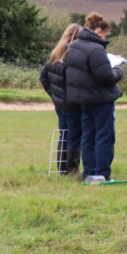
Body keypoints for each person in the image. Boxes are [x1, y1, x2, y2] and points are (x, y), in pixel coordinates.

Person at [65, 13, 123, 182]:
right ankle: (102, 173)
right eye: (105, 34)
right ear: (98, 30)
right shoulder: (96, 49)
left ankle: (88, 172)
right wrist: (118, 70)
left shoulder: (74, 45)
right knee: (104, 136)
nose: (105, 37)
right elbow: (106, 77)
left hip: (83, 99)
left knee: (88, 136)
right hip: (100, 100)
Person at [40, 23, 83, 176]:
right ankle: (72, 169)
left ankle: (62, 169)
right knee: (74, 135)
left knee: (63, 134)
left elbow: (43, 77)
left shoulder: (54, 54)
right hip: (72, 104)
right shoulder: (73, 56)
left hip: (59, 104)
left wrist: (54, 95)